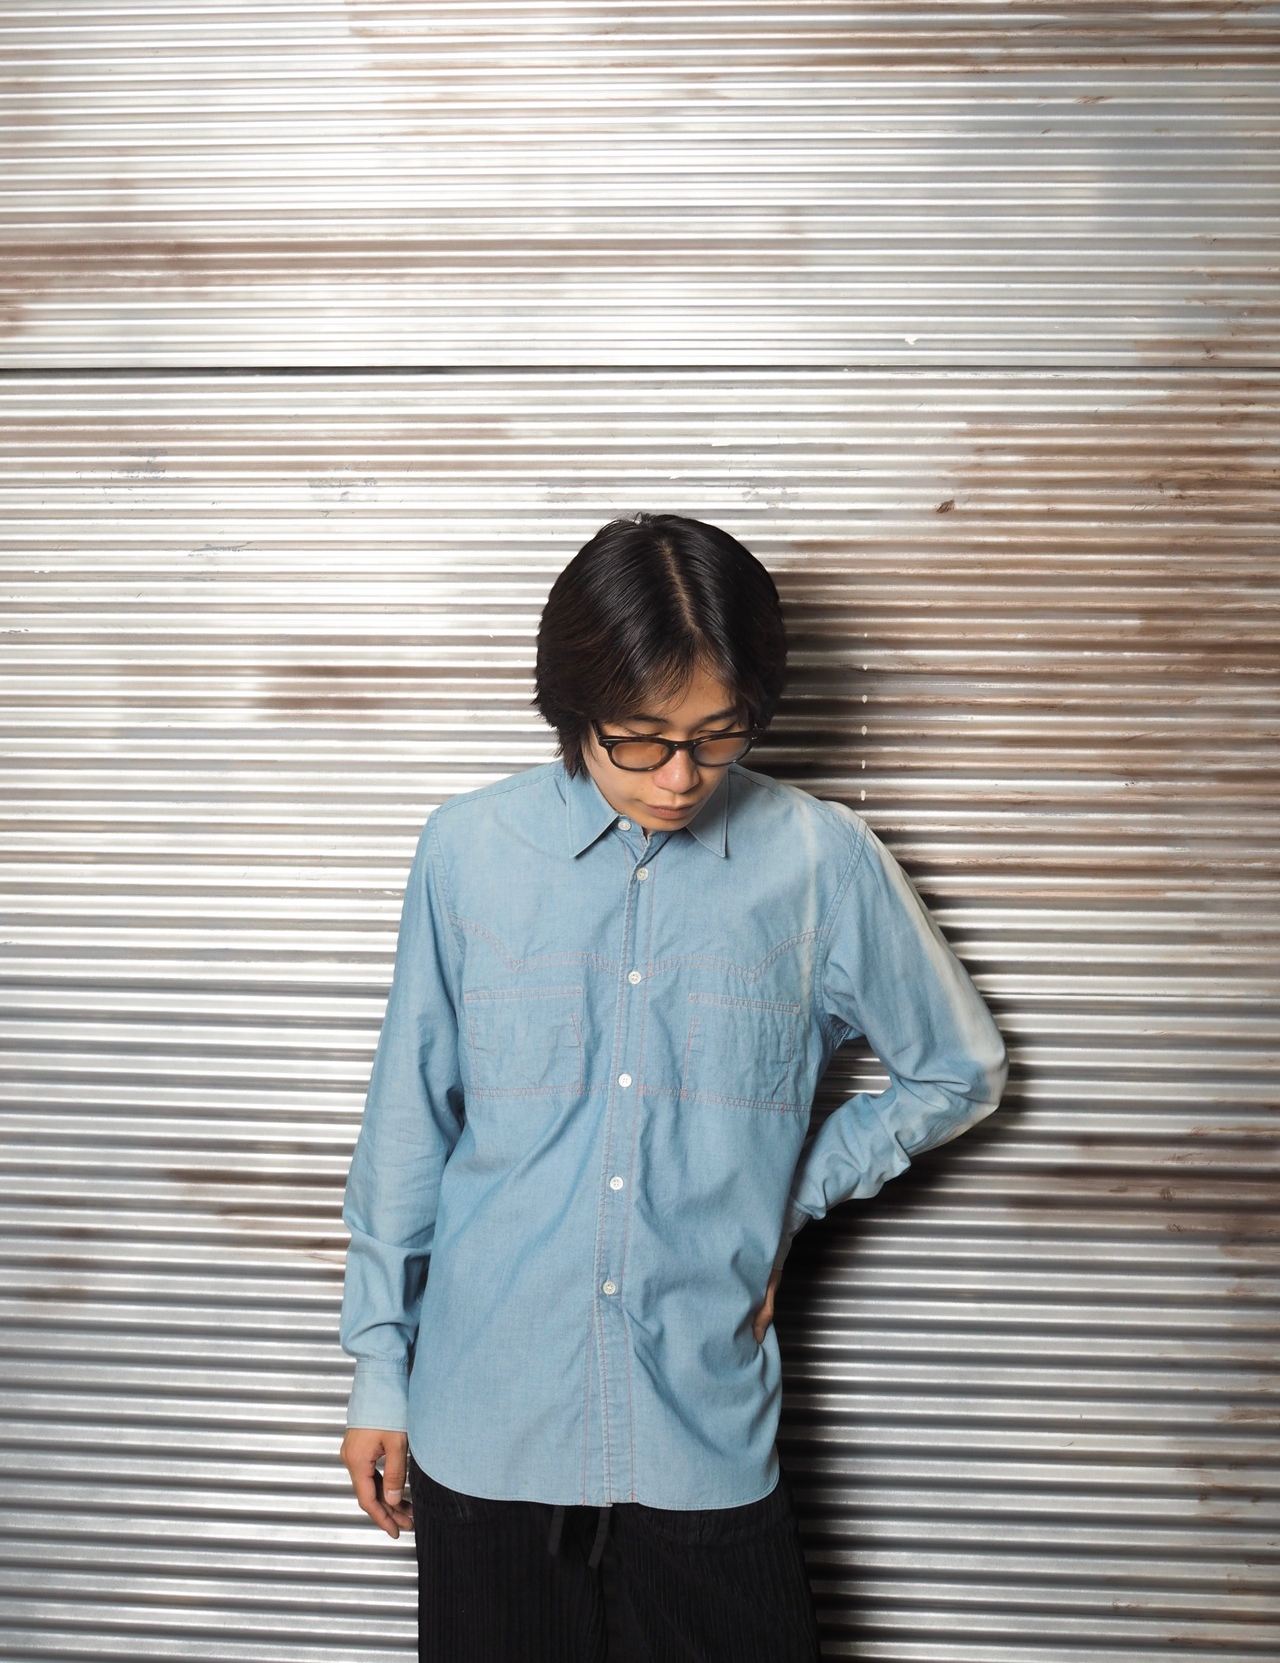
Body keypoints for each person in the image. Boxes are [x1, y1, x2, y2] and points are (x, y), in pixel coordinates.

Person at [338, 511, 1008, 1662]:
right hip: (483, 1416)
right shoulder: (466, 852)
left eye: (717, 735)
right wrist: (377, 1376)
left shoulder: (820, 862)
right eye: (640, 740)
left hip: (698, 1422)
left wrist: (787, 1193)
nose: (681, 776)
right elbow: (410, 1122)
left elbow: (956, 1069)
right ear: (572, 710)